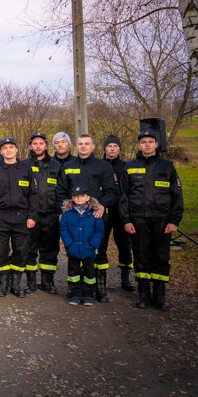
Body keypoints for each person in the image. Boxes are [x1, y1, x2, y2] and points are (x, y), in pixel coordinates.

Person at [120, 129, 184, 311]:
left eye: (150, 141)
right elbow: (123, 196)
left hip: (162, 221)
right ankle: (144, 294)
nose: (147, 144)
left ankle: (159, 295)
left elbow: (177, 195)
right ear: (139, 145)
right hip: (137, 220)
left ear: (157, 144)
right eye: (143, 142)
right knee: (141, 256)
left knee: (161, 257)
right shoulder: (130, 166)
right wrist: (126, 220)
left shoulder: (168, 166)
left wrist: (174, 220)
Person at [55, 134, 119, 302]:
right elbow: (61, 191)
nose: (83, 146)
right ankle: (76, 290)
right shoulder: (68, 166)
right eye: (80, 144)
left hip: (95, 218)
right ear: (76, 146)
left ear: (93, 146)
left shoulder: (103, 166)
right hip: (74, 218)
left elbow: (112, 191)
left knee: (99, 253)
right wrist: (62, 210)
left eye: (87, 144)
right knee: (75, 255)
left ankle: (100, 289)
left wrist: (102, 205)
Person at [0, 137, 39, 298]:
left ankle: (15, 284)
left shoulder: (26, 168)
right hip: (0, 217)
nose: (8, 150)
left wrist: (32, 216)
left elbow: (33, 195)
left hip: (21, 217)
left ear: (16, 150)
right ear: (1, 151)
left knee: (21, 251)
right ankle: (3, 284)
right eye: (5, 148)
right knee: (0, 250)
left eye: (11, 147)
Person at [24, 132, 63, 294]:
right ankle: (31, 281)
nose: (38, 146)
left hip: (51, 214)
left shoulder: (56, 166)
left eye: (41, 143)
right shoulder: (24, 165)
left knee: (50, 249)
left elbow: (62, 191)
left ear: (46, 146)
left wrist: (61, 212)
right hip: (30, 215)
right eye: (35, 143)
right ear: (30, 146)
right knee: (29, 248)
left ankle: (47, 281)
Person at [101, 135, 136, 292]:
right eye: (109, 146)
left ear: (120, 149)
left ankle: (125, 278)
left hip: (121, 213)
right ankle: (99, 277)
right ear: (105, 148)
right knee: (100, 244)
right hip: (102, 212)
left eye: (115, 146)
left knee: (124, 245)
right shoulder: (99, 165)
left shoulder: (126, 166)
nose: (112, 149)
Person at [60, 185, 104, 306]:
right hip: (73, 248)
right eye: (76, 196)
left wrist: (93, 245)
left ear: (88, 197)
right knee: (73, 273)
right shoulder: (67, 213)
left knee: (89, 273)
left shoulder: (94, 213)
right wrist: (68, 244)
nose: (79, 199)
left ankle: (88, 295)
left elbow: (99, 230)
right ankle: (75, 294)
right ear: (72, 198)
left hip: (89, 249)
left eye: (82, 196)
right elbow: (63, 229)